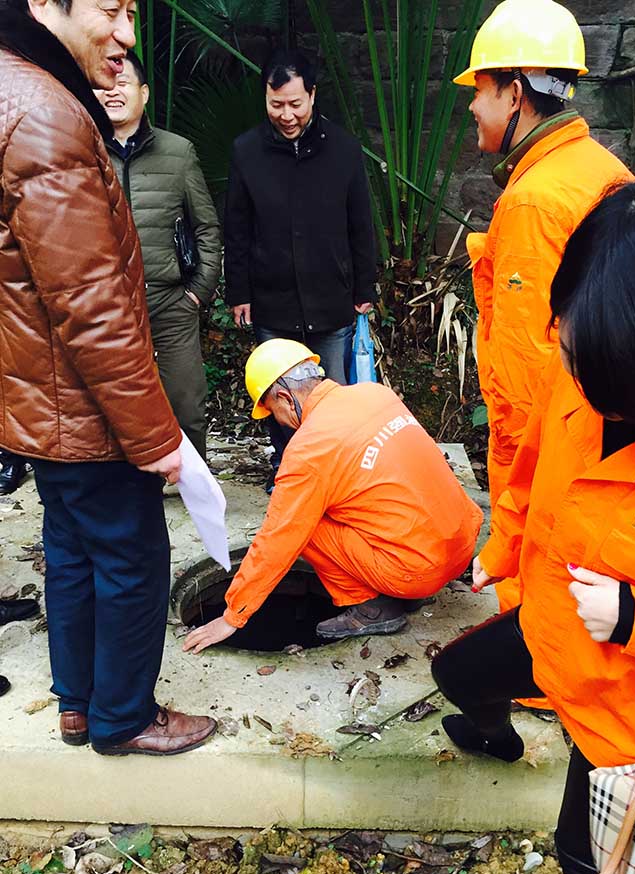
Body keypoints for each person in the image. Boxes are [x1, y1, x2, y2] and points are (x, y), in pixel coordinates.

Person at [432, 173, 635, 874]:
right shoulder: (580, 365)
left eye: (589, 362)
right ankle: (496, 731)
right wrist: (505, 544)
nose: (571, 371)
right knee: (458, 674)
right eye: (570, 344)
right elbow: (528, 469)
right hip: (555, 636)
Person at [0, 0, 216, 754]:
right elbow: (91, 307)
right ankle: (123, 717)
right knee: (132, 558)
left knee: (71, 550)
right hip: (83, 406)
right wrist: (157, 438)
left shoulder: (18, 87)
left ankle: (79, 703)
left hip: (43, 402)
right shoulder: (46, 115)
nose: (127, 34)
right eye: (111, 9)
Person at [455, 0, 634, 611]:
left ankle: (528, 652)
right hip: (605, 428)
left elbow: (525, 374)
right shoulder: (602, 168)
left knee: (537, 587)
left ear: (515, 93)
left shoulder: (534, 200)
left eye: (480, 90)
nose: (472, 107)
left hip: (551, 444)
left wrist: (516, 485)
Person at [182, 339, 483, 653]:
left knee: (305, 524)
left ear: (285, 398)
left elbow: (277, 540)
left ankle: (373, 608)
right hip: (461, 545)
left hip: (419, 570)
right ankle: (408, 591)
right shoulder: (375, 393)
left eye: (272, 412)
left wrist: (232, 616)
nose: (279, 421)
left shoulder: (309, 450)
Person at [224, 49, 377, 493]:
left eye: (295, 104)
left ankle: (336, 476)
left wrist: (364, 287)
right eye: (276, 105)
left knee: (333, 392)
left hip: (332, 295)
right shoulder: (247, 151)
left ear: (312, 95)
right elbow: (237, 227)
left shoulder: (344, 149)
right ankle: (289, 471)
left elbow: (360, 224)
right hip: (272, 298)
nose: (286, 115)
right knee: (281, 393)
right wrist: (239, 292)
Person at [95, 50, 221, 461]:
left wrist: (197, 292)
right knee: (113, 405)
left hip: (169, 301)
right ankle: (130, 483)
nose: (113, 92)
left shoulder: (178, 152)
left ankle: (191, 482)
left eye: (123, 83)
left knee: (186, 400)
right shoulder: (83, 151)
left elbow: (206, 226)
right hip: (108, 305)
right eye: (105, 85)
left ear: (144, 93)